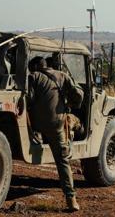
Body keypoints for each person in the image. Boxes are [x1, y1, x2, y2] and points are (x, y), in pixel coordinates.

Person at [26, 56, 84, 212]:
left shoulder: (33, 76)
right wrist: (71, 104)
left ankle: (41, 138)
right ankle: (71, 199)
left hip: (36, 125)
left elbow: (28, 99)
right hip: (56, 125)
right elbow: (79, 95)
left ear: (37, 67)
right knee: (63, 160)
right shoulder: (62, 76)